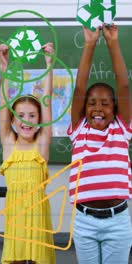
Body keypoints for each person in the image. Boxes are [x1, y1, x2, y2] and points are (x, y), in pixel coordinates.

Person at [68, 24, 132, 264]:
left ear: (115, 108)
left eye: (105, 103)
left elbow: (123, 86)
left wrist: (113, 43)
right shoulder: (79, 129)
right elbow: (79, 88)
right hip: (84, 221)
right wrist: (90, 44)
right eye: (92, 103)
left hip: (118, 221)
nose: (97, 108)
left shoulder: (121, 129)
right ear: (84, 108)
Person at [0, 42, 56, 264]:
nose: (26, 120)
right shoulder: (8, 143)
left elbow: (46, 100)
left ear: (40, 119)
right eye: (21, 115)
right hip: (16, 218)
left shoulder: (41, 144)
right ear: (12, 119)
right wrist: (4, 67)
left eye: (32, 115)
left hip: (38, 217)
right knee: (17, 260)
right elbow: (3, 103)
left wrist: (49, 64)